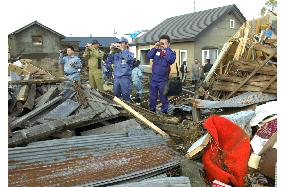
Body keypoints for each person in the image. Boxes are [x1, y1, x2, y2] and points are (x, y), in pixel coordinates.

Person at [147, 34, 176, 114]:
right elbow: (149, 56)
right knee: (152, 97)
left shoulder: (171, 53)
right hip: (154, 79)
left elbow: (171, 60)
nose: (162, 44)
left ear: (168, 44)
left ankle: (164, 112)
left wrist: (166, 49)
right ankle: (151, 111)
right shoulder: (156, 51)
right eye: (161, 43)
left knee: (163, 97)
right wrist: (155, 47)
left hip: (163, 80)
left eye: (164, 43)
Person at [105, 37, 134, 102]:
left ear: (126, 44)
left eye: (122, 43)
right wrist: (111, 51)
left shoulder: (130, 54)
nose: (120, 44)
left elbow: (129, 60)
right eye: (119, 43)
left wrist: (122, 50)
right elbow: (108, 62)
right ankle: (118, 108)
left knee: (126, 95)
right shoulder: (116, 54)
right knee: (116, 94)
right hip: (116, 78)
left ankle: (127, 109)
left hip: (125, 78)